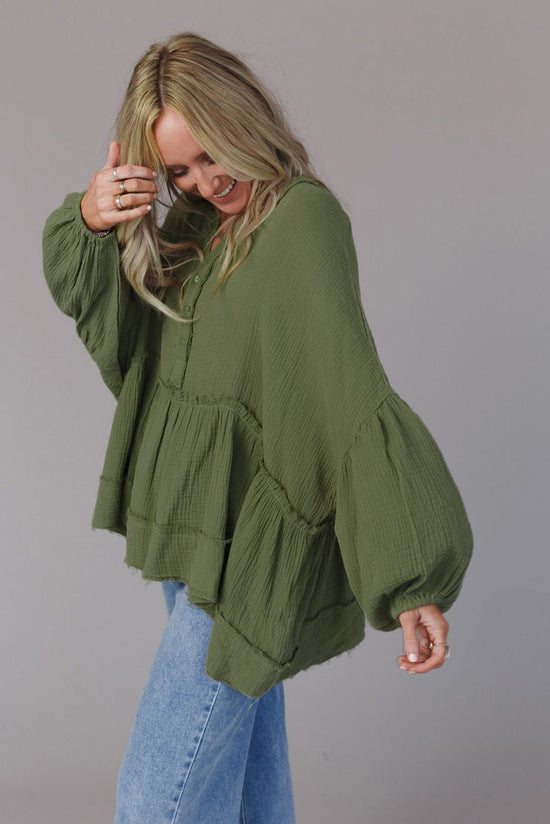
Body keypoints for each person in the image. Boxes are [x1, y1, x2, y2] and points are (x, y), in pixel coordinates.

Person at [41, 31, 474, 824]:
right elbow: (132, 349)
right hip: (193, 539)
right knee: (247, 785)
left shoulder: (303, 222)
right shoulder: (194, 227)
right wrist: (93, 223)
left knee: (155, 798)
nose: (205, 182)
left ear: (243, 118)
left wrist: (412, 579)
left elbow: (350, 395)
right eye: (178, 170)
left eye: (211, 154)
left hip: (248, 559)